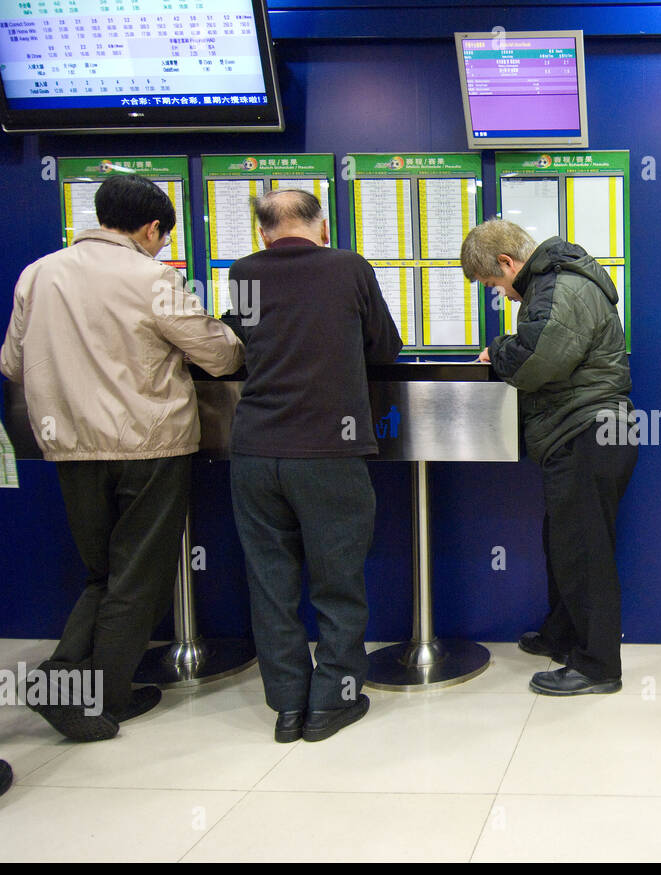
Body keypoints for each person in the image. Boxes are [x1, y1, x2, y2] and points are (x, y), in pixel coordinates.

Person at [1, 173, 244, 741]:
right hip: (147, 444)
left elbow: (12, 361)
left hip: (68, 445)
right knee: (138, 574)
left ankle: (65, 682)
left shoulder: (37, 274)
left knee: (101, 573)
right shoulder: (151, 277)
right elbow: (216, 355)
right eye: (163, 237)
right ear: (152, 228)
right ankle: (91, 699)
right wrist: (233, 338)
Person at [224, 190, 403, 742]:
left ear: (262, 233)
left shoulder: (244, 271)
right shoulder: (348, 266)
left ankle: (286, 707)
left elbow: (242, 341)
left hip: (255, 449)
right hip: (330, 448)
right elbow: (385, 348)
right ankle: (332, 700)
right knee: (338, 580)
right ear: (321, 227)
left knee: (270, 584)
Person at [462, 219, 637, 696]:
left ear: (507, 263)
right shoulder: (555, 282)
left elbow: (538, 359)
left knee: (585, 552)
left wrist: (497, 349)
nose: (505, 296)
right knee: (565, 542)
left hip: (588, 431)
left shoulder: (560, 285)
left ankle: (599, 666)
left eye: (495, 285)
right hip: (584, 433)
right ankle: (563, 635)